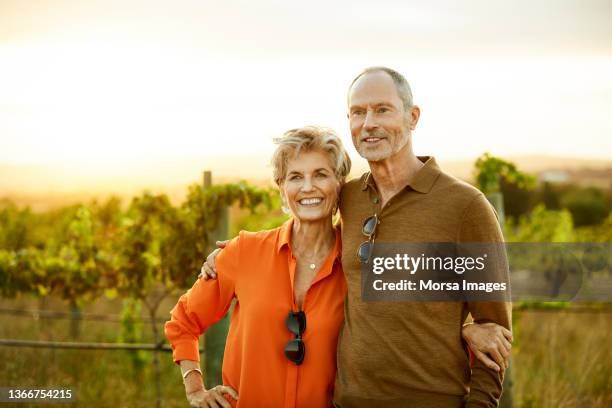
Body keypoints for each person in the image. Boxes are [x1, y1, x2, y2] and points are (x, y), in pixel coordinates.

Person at [200, 67, 513, 408]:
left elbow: (494, 330)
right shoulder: (349, 198)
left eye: (382, 110)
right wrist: (238, 251)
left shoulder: (466, 207)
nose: (369, 123)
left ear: (413, 116)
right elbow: (307, 234)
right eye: (358, 112)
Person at [165, 126, 351, 407]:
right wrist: (195, 390)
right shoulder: (244, 252)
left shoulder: (357, 265)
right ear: (281, 187)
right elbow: (183, 321)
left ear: (338, 183)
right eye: (295, 177)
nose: (308, 187)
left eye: (321, 174)